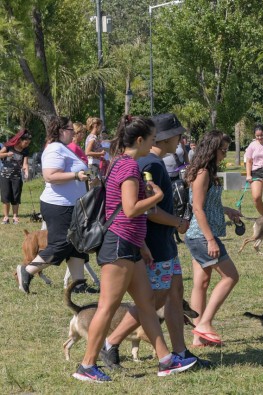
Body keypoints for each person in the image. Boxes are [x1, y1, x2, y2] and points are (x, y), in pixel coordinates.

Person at [73, 116, 197, 383]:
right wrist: (157, 196)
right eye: (152, 139)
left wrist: (141, 245)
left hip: (130, 245)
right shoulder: (128, 168)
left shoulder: (120, 162)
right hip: (118, 245)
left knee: (147, 304)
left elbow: (117, 209)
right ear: (140, 141)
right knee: (107, 307)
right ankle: (87, 365)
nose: (154, 143)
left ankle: (166, 360)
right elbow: (129, 209)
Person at [98, 113, 211, 371]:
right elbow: (146, 209)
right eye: (179, 135)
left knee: (174, 292)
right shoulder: (151, 164)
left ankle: (180, 352)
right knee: (154, 300)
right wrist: (176, 223)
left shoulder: (153, 161)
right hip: (153, 242)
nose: (181, 140)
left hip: (162, 241)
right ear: (165, 138)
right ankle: (111, 342)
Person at [15, 116, 96, 294]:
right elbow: (50, 175)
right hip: (59, 205)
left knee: (76, 244)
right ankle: (27, 270)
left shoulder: (63, 148)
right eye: (70, 130)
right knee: (61, 243)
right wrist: (77, 176)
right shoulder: (54, 149)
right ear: (61, 131)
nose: (73, 133)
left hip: (71, 204)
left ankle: (79, 284)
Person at [184, 130, 243, 346]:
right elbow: (197, 209)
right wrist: (210, 240)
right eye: (223, 150)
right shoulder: (202, 173)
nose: (225, 154)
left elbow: (207, 204)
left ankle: (198, 337)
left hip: (199, 234)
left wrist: (226, 210)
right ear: (212, 149)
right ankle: (204, 323)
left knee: (201, 283)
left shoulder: (207, 171)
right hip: (201, 236)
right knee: (230, 277)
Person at [0, 129, 31, 224]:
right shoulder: (9, 146)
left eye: (28, 143)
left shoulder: (25, 151)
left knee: (15, 196)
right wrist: (7, 154)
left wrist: (26, 172)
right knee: (6, 196)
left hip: (17, 177)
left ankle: (15, 217)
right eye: (26, 143)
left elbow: (25, 164)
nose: (27, 145)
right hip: (5, 175)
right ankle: (6, 217)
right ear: (20, 140)